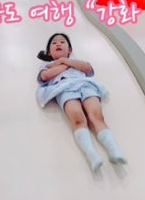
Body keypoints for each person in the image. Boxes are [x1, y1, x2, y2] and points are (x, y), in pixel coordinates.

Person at [36, 32, 127, 171]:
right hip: (65, 89)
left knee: (97, 116)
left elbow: (88, 68)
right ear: (49, 52)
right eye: (54, 43)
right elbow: (45, 76)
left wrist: (64, 61)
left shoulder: (77, 61)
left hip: (86, 86)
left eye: (62, 42)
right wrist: (65, 64)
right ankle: (91, 154)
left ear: (70, 50)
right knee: (77, 118)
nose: (58, 44)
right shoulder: (47, 65)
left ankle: (114, 150)